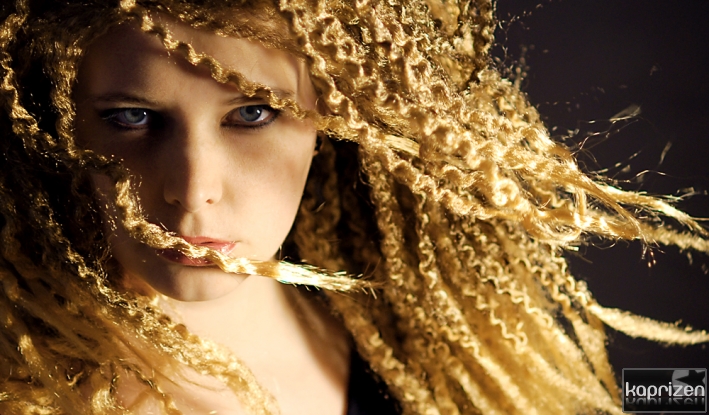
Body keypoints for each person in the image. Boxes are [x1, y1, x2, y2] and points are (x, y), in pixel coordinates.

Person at [0, 0, 706, 414]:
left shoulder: (419, 340)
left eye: (252, 113)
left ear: (330, 114)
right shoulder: (23, 385)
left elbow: (669, 392)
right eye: (130, 118)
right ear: (60, 121)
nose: (192, 188)